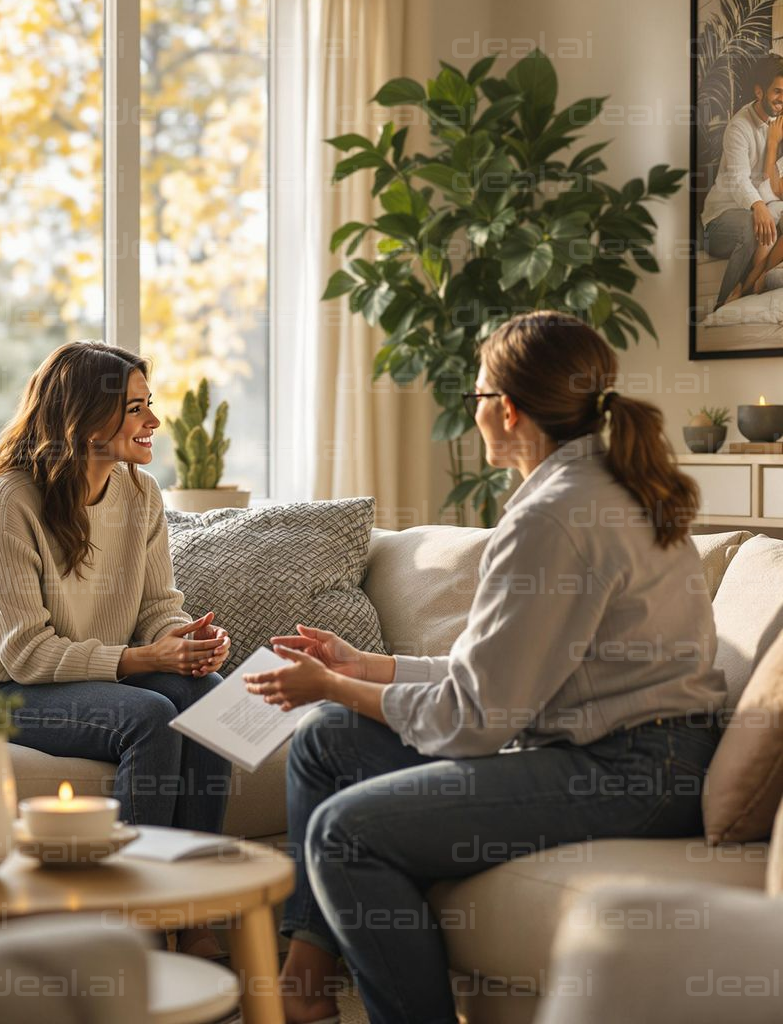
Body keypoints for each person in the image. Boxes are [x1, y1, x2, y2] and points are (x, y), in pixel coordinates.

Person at [245, 311, 728, 1024]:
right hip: (641, 753)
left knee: (345, 831)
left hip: (635, 770)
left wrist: (332, 683)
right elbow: (498, 672)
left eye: (475, 398)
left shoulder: (554, 518)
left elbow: (475, 721)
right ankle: (304, 984)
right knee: (327, 739)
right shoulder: (604, 485)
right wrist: (368, 668)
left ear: (506, 410)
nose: (473, 413)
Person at [0, 341, 232, 958]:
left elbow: (158, 605)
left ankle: (195, 910)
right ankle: (128, 927)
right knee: (151, 717)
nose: (153, 422)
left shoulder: (141, 494)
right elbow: (25, 652)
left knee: (207, 698)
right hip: (1, 687)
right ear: (84, 418)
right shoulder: (8, 501)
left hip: (91, 674)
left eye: (148, 404)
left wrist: (181, 642)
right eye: (135, 409)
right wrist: (144, 662)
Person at [701, 55, 783, 307]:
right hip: (720, 221)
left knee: (771, 217)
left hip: (761, 213)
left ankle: (752, 284)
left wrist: (772, 143)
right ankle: (724, 305)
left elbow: (774, 185)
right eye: (777, 91)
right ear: (759, 91)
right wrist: (758, 206)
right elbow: (738, 180)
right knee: (752, 226)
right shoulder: (739, 127)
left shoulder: (778, 126)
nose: (782, 99)